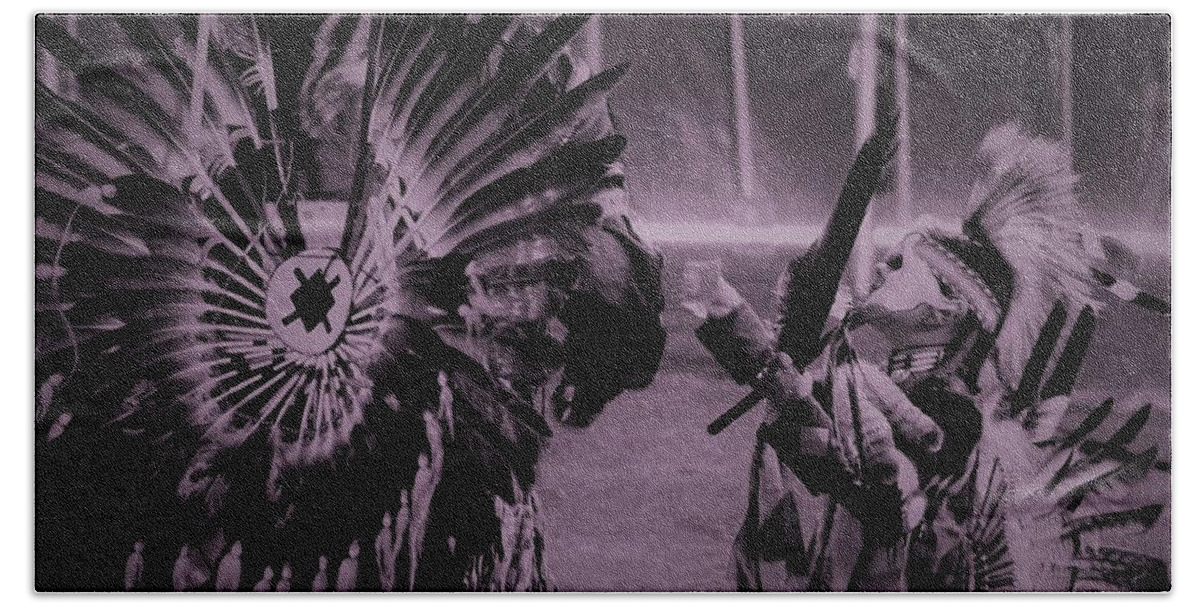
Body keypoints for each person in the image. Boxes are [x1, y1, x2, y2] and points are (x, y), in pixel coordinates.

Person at [689, 122, 1136, 590]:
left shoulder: (952, 413)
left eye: (900, 264)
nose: (882, 266)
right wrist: (856, 187)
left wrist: (783, 384)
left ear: (943, 307)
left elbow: (877, 494)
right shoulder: (879, 381)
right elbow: (794, 347)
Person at [375, 513, 396, 591]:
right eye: (385, 518)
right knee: (385, 573)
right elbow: (377, 544)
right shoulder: (382, 532)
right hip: (385, 555)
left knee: (390, 574)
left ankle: (389, 586)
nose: (386, 520)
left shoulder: (390, 531)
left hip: (389, 555)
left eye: (388, 518)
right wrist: (378, 554)